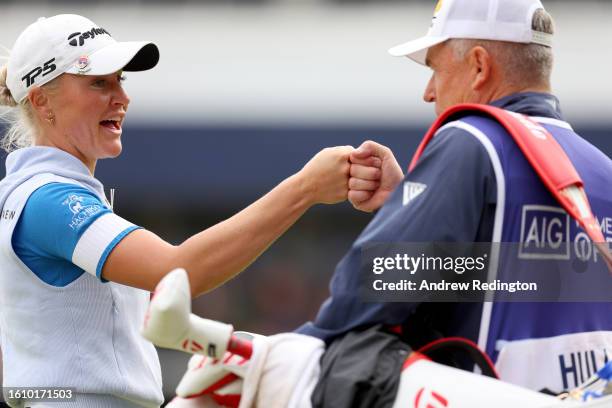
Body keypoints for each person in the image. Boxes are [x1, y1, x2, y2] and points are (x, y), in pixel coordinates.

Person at [0, 14, 380, 408]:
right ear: (42, 99)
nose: (121, 97)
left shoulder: (37, 193)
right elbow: (177, 272)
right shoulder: (51, 200)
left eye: (120, 80)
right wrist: (305, 189)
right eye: (99, 82)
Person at [297, 0, 612, 395]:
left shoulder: (471, 142)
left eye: (434, 69)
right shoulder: (603, 171)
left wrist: (277, 356)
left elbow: (364, 294)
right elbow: (514, 279)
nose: (429, 93)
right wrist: (416, 202)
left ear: (479, 66)